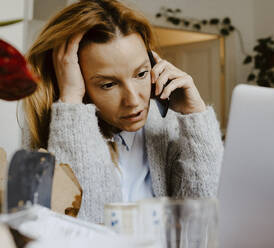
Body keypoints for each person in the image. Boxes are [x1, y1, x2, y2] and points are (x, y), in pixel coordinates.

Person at [21, 0, 223, 224]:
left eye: (141, 74)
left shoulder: (167, 128)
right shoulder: (58, 134)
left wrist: (195, 116)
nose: (134, 100)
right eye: (108, 84)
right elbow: (81, 227)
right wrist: (71, 102)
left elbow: (204, 219)